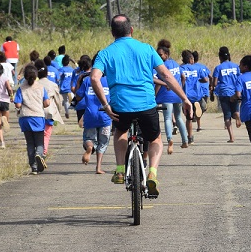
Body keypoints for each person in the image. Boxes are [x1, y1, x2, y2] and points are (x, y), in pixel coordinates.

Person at [91, 14, 192, 197]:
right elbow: (166, 76)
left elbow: (94, 78)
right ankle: (152, 173)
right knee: (155, 139)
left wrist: (105, 105)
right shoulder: (147, 49)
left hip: (120, 106)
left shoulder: (105, 53)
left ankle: (120, 170)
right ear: (131, 30)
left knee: (121, 132)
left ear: (112, 32)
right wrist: (184, 98)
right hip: (146, 105)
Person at [76, 58, 112, 174]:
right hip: (105, 116)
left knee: (88, 138)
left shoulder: (88, 80)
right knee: (103, 143)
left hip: (90, 115)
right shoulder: (110, 80)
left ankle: (89, 148)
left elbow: (78, 97)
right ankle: (98, 167)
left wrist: (79, 81)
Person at [14, 65, 50, 175]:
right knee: (39, 143)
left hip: (25, 118)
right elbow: (47, 103)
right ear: (36, 75)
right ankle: (39, 154)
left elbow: (18, 104)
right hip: (38, 118)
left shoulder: (21, 88)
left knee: (30, 143)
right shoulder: (40, 87)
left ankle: (33, 167)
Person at [155, 40, 189, 154]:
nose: (158, 56)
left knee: (167, 118)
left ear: (166, 54)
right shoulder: (175, 63)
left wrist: (154, 96)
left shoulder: (161, 66)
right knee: (178, 117)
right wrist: (180, 88)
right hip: (177, 95)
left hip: (166, 95)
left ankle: (170, 139)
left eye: (160, 55)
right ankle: (185, 140)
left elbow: (159, 82)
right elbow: (183, 77)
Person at [36, 59, 64, 159]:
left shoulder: (34, 84)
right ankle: (43, 152)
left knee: (38, 133)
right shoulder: (53, 85)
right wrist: (58, 112)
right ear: (47, 73)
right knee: (46, 134)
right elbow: (58, 101)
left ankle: (38, 150)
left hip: (36, 113)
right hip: (49, 112)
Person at [211, 46, 241, 143]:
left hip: (223, 92)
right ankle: (237, 115)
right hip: (234, 92)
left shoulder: (218, 68)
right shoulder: (236, 66)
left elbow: (215, 83)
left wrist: (213, 87)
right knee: (235, 110)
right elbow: (240, 78)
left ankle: (232, 137)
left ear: (220, 57)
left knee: (227, 115)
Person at [180, 50, 207, 145]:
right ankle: (197, 113)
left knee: (188, 118)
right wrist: (197, 80)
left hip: (186, 96)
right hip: (197, 94)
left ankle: (190, 137)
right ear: (191, 59)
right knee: (203, 107)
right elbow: (205, 79)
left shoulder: (180, 69)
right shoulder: (197, 68)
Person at [72, 55, 92, 127]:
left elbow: (73, 89)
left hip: (80, 104)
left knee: (83, 126)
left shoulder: (78, 74)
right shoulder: (96, 74)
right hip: (93, 104)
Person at [193, 50, 211, 132]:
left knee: (201, 108)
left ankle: (195, 116)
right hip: (204, 90)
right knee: (202, 107)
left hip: (197, 91)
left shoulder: (190, 68)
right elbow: (209, 77)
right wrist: (211, 86)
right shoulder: (203, 67)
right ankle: (198, 123)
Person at [58, 55, 75, 119]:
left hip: (63, 88)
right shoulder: (71, 69)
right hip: (70, 87)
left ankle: (67, 112)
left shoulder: (61, 69)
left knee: (65, 100)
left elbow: (58, 76)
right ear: (68, 63)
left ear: (62, 62)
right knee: (70, 100)